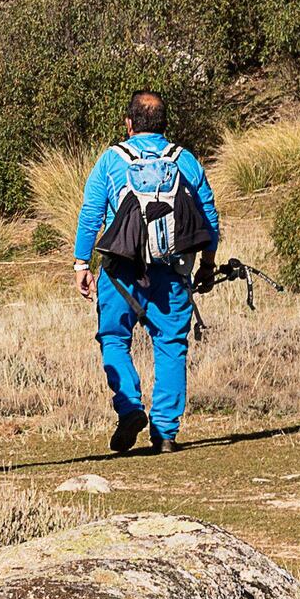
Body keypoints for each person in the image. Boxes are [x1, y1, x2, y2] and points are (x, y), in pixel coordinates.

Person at [71, 93, 221, 455]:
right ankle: (166, 433)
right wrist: (208, 263)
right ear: (165, 124)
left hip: (120, 271)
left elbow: (91, 214)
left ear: (129, 123)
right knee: (170, 344)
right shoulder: (184, 159)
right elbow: (210, 218)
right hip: (172, 270)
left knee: (113, 338)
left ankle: (130, 409)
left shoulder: (112, 160)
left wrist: (81, 264)